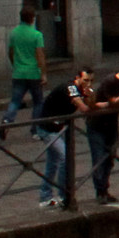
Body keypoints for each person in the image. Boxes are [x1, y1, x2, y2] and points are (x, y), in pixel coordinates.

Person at [35, 70, 93, 207]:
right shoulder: (71, 88)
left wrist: (90, 97)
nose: (88, 83)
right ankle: (64, 195)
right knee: (65, 158)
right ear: (78, 78)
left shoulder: (81, 89)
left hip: (58, 128)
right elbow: (84, 108)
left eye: (91, 80)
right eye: (86, 80)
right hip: (47, 128)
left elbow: (89, 105)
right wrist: (90, 100)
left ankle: (45, 196)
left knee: (53, 162)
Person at [84, 61, 119, 203]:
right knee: (99, 158)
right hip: (97, 124)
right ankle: (100, 192)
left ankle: (105, 189)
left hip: (111, 124)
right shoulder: (109, 82)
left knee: (110, 158)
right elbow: (115, 103)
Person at [0, 6, 46, 128]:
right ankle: (35, 128)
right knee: (38, 102)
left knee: (15, 101)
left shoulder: (14, 33)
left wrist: (15, 65)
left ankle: (7, 120)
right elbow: (40, 56)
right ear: (32, 19)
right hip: (34, 73)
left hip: (19, 72)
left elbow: (10, 52)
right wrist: (43, 74)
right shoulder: (37, 35)